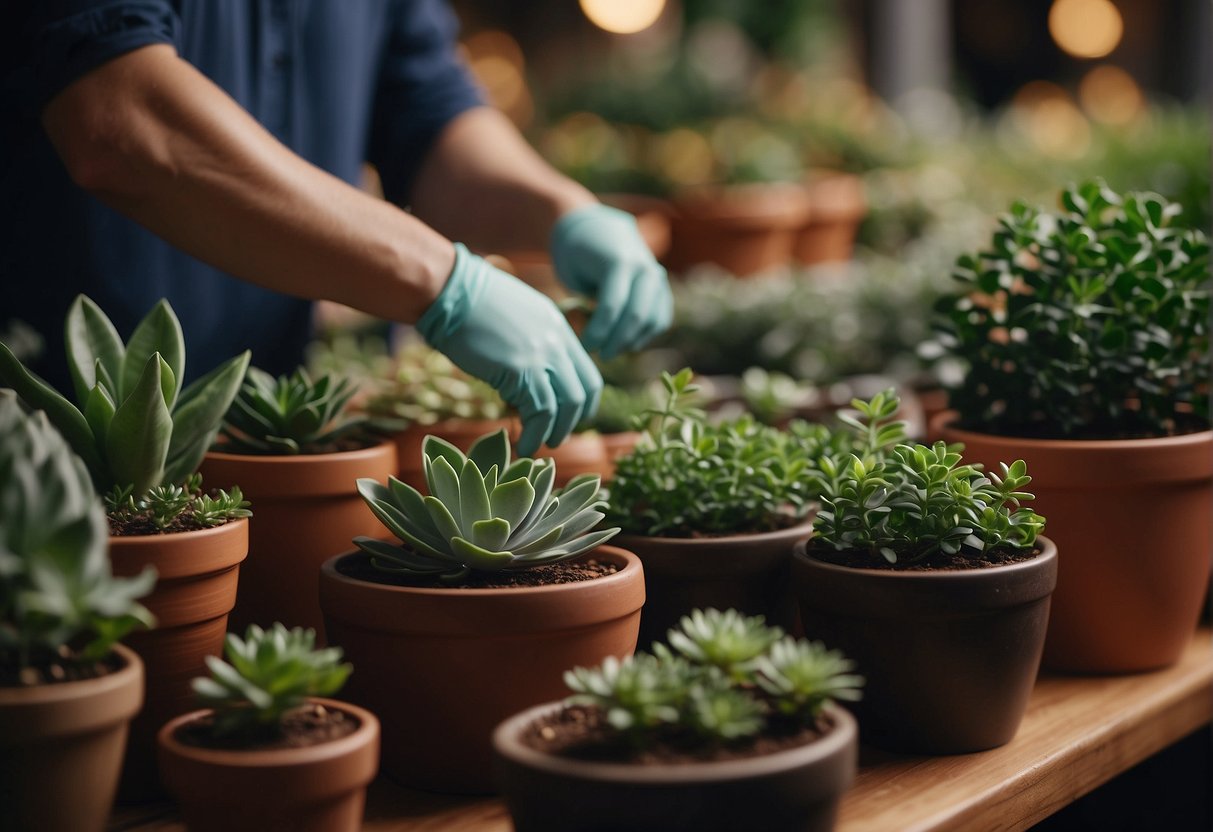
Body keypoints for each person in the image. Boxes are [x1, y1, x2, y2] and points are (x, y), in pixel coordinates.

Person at [1, 1, 673, 455]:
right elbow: (118, 121)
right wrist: (444, 283)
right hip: (44, 443)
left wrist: (560, 211)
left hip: (262, 435)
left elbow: (427, 110)